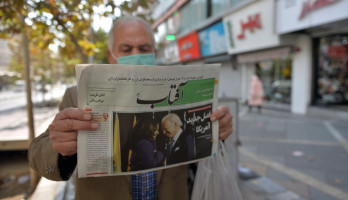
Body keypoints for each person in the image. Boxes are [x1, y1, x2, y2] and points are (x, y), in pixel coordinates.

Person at [28, 16, 233, 200]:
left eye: (144, 49)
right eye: (126, 49)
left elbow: (195, 151)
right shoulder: (79, 96)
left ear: (154, 53)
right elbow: (37, 155)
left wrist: (216, 131)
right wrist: (62, 151)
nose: (136, 54)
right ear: (111, 55)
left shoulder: (177, 92)